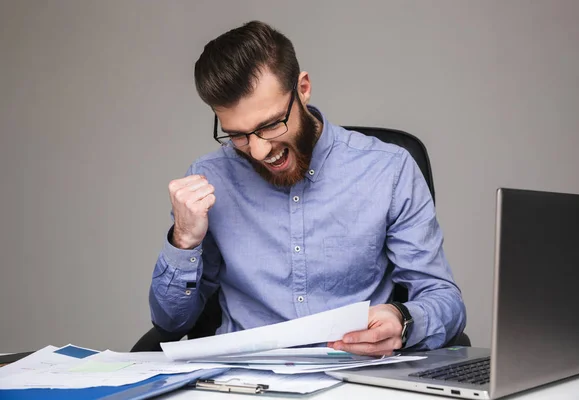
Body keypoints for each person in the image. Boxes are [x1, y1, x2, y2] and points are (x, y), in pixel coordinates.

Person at [150, 20, 466, 356]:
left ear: (303, 88)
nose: (258, 151)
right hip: (244, 382)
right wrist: (184, 241)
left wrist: (404, 319)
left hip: (359, 380)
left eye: (270, 125)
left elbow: (444, 298)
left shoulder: (389, 169)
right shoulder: (209, 180)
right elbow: (171, 323)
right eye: (238, 135)